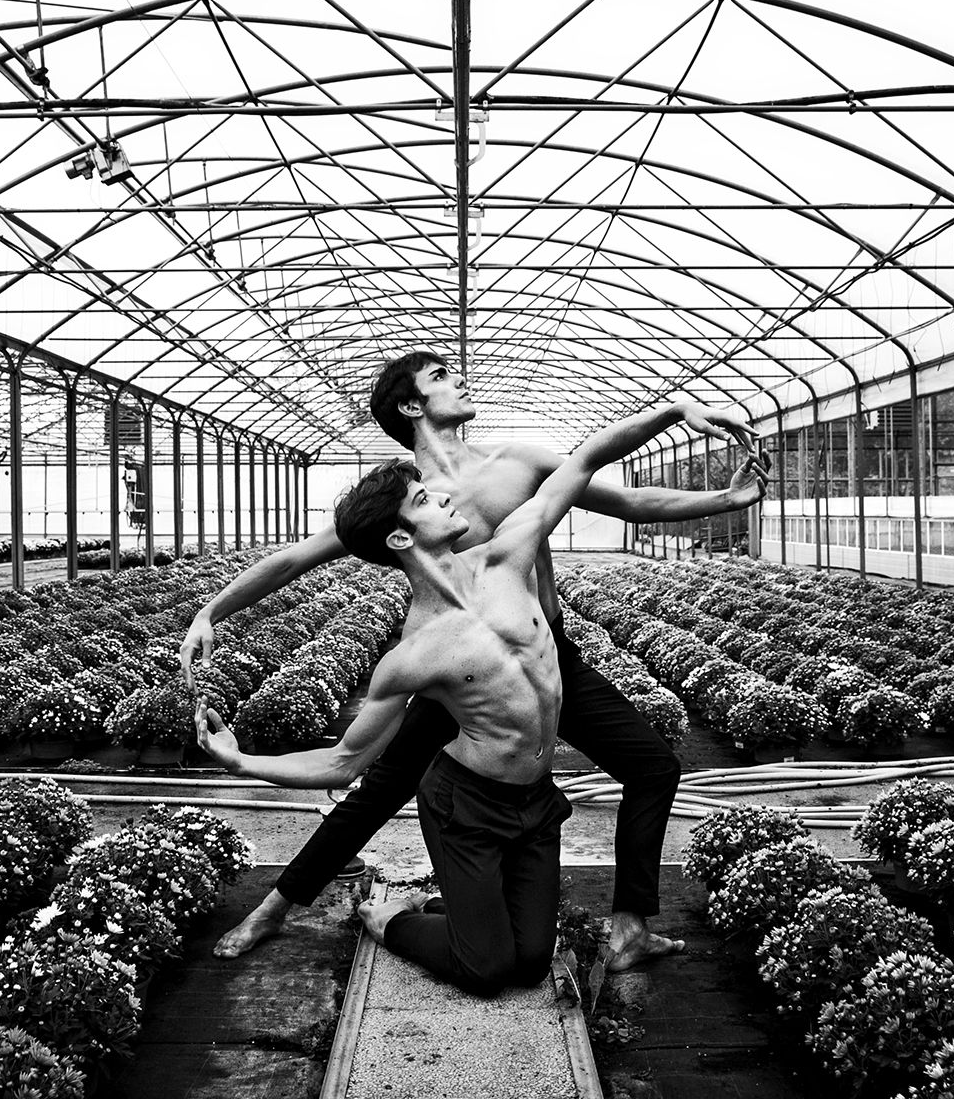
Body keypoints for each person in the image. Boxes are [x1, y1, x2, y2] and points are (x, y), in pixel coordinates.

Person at [181, 351, 769, 969]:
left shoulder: (517, 463)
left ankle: (629, 926)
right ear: (410, 405)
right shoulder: (398, 501)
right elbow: (291, 560)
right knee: (378, 787)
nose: (459, 379)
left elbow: (627, 498)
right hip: (457, 672)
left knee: (653, 767)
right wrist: (211, 611)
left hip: (545, 654)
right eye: (439, 376)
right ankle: (276, 905)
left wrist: (725, 498)